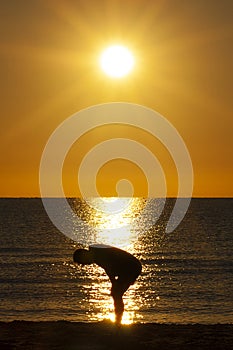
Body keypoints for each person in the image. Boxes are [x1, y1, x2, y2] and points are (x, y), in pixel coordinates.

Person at [73, 244, 142, 324]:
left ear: (83, 256)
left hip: (131, 267)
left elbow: (109, 266)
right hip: (127, 267)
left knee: (116, 294)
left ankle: (118, 321)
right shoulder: (95, 253)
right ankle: (118, 320)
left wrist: (114, 282)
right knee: (116, 294)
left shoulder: (96, 253)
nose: (84, 265)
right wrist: (114, 282)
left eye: (82, 262)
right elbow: (109, 267)